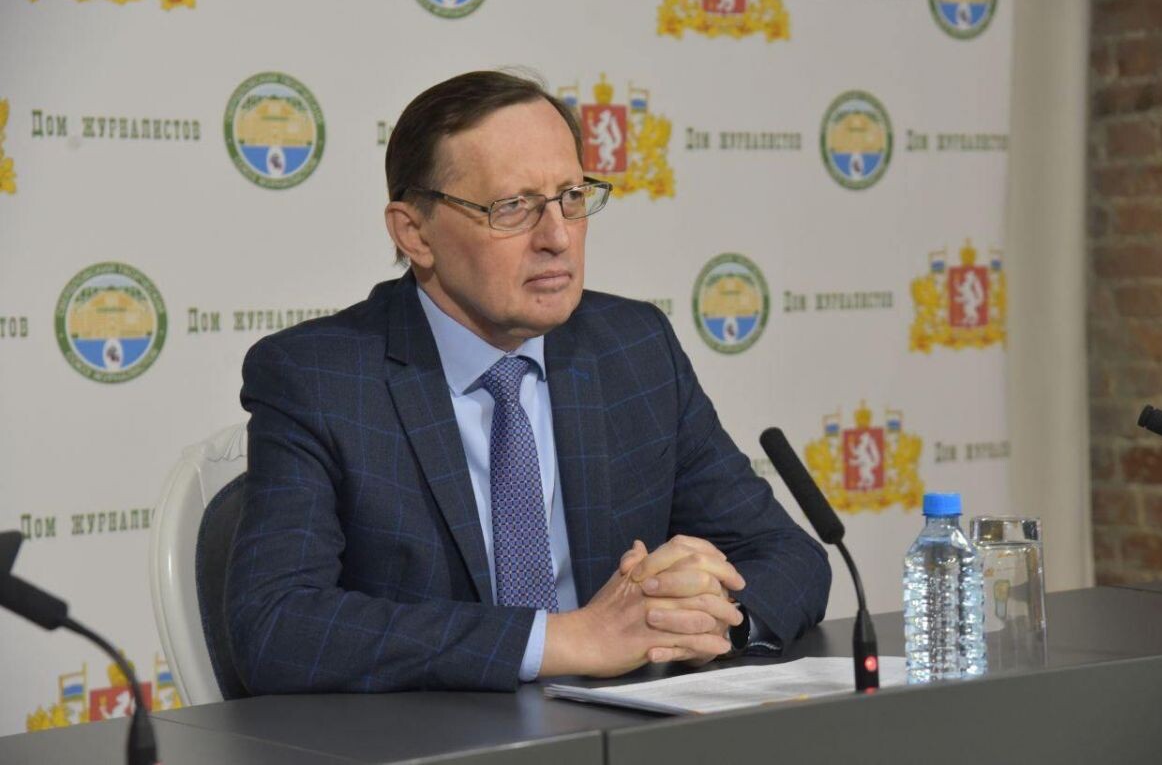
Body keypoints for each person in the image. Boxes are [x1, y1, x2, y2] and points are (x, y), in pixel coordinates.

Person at [226, 70, 831, 694]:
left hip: (627, 727)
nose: (557, 237)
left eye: (571, 196)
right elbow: (276, 626)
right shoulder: (319, 378)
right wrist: (565, 640)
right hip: (436, 735)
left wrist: (705, 619)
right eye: (512, 207)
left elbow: (787, 555)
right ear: (415, 233)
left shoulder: (632, 348)